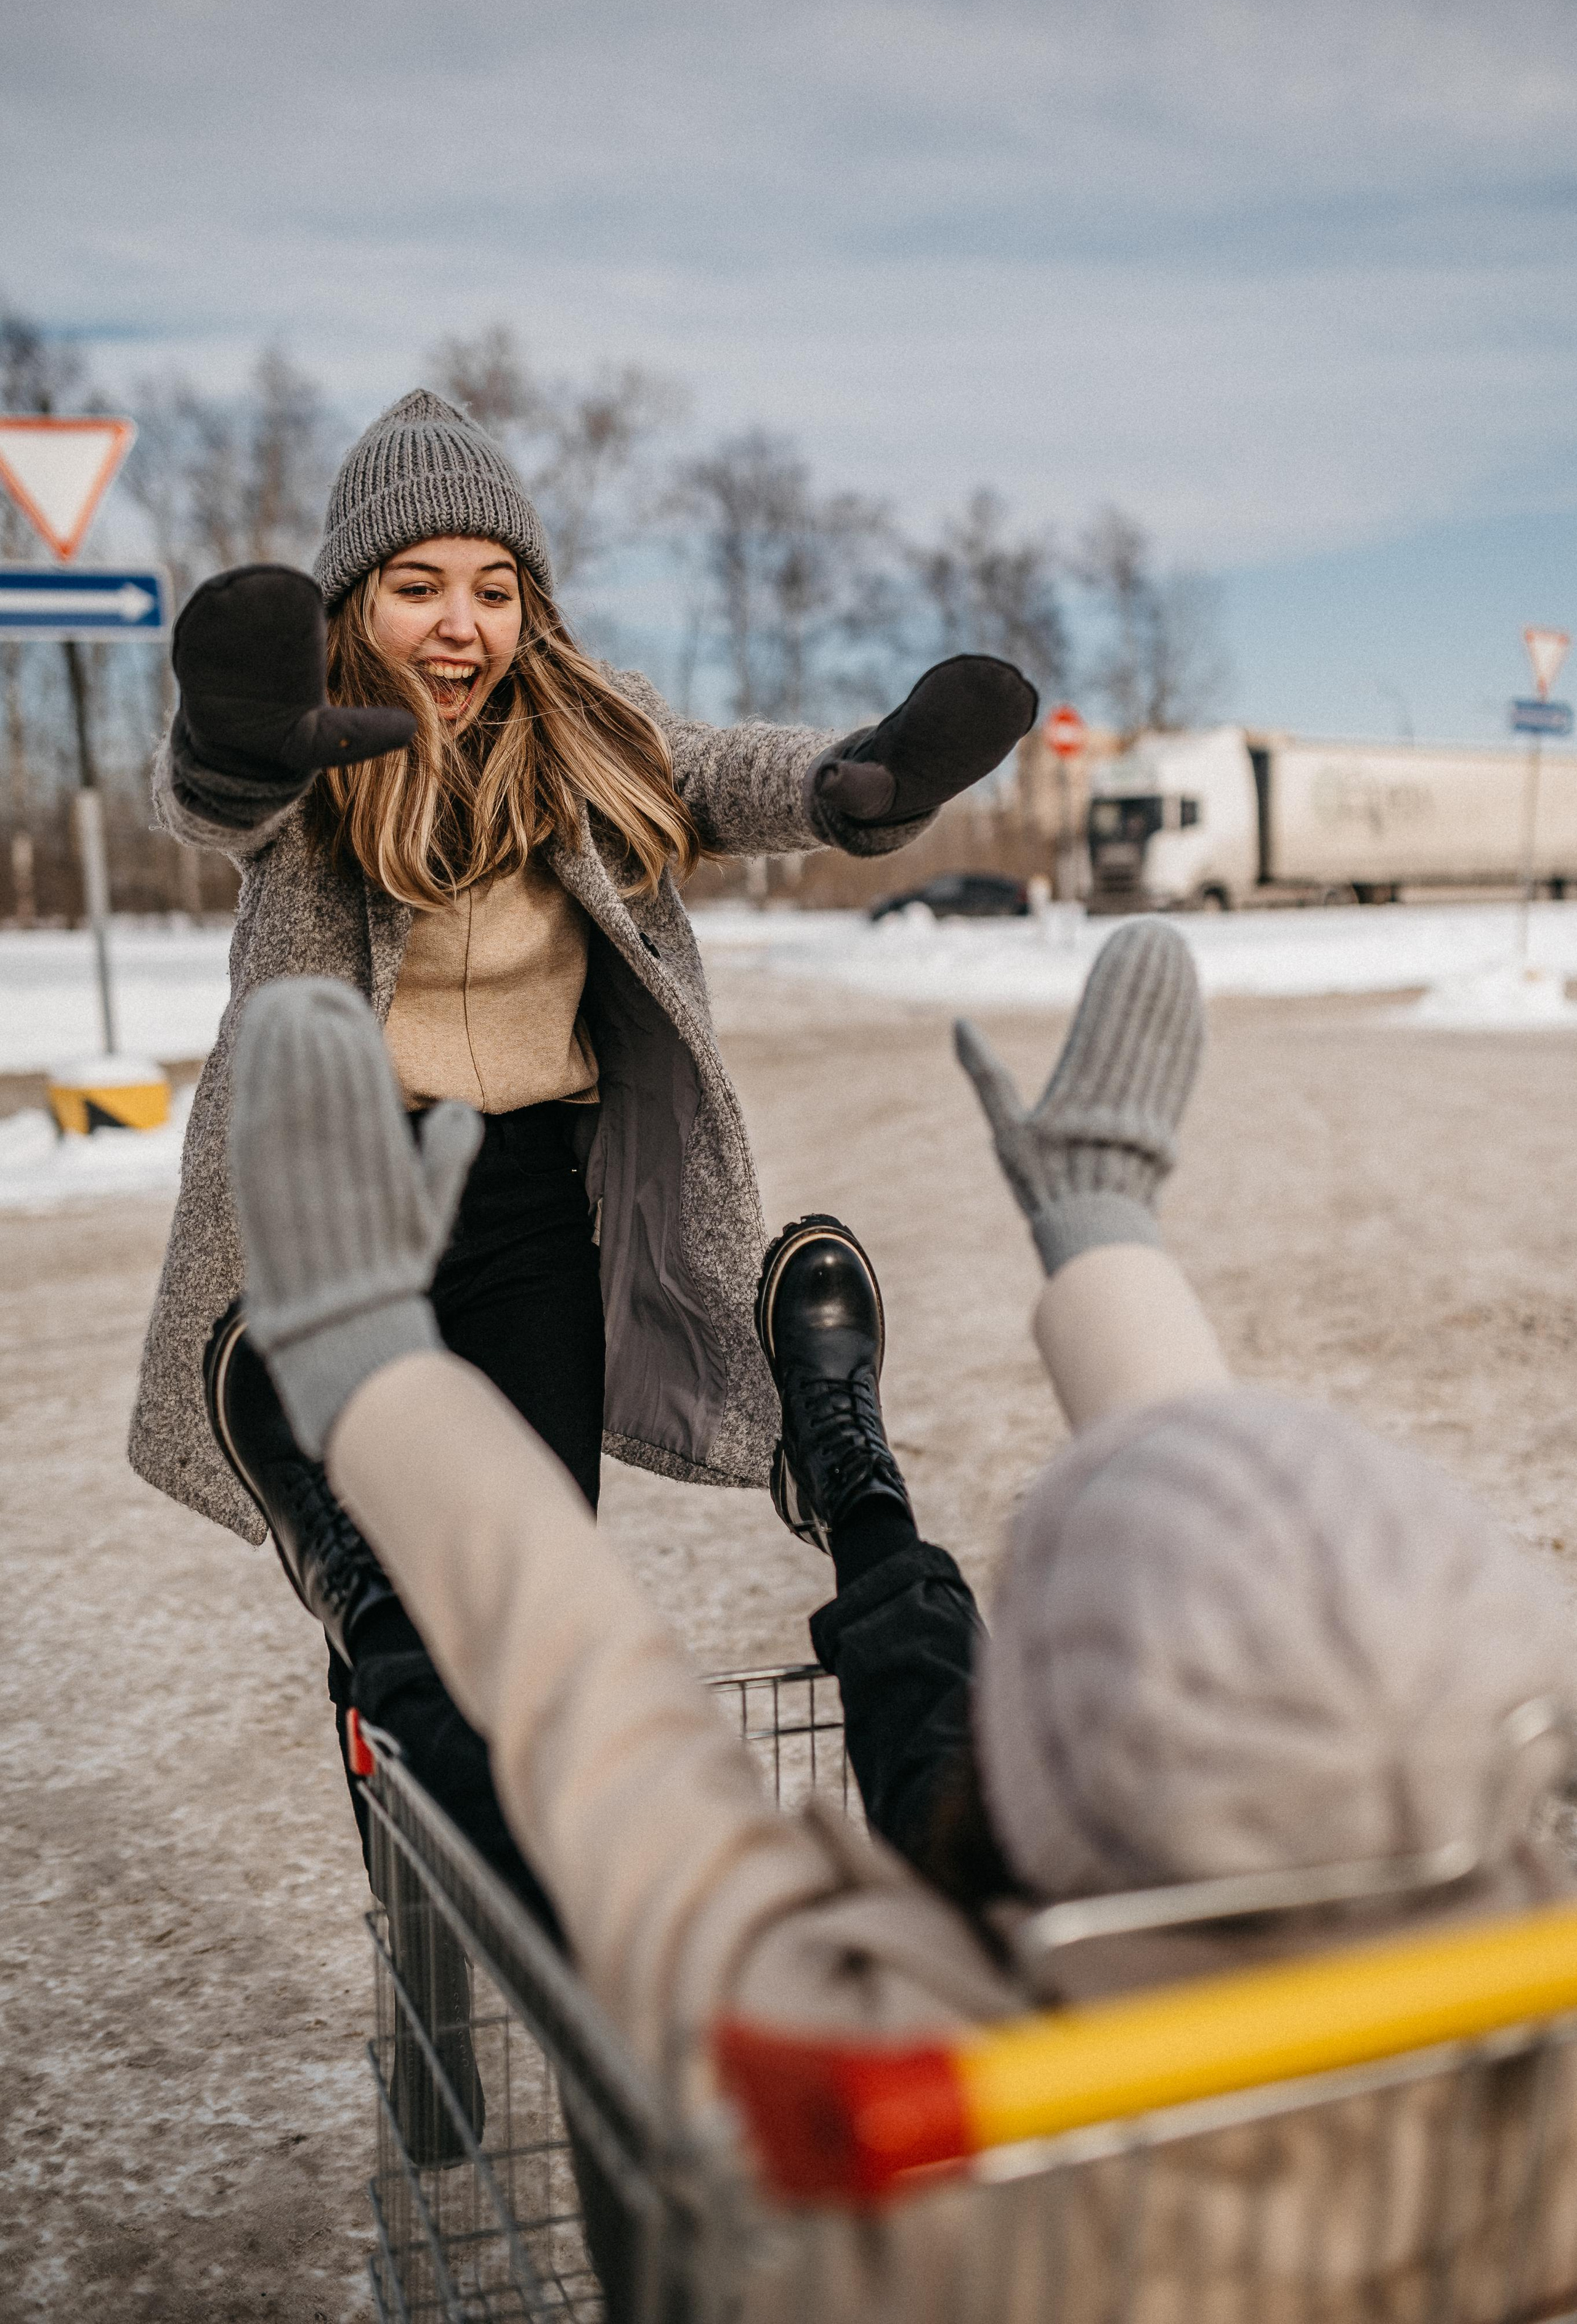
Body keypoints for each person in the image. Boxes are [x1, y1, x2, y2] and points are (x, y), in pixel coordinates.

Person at [221, 922, 1577, 2320]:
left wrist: (373, 1369)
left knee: (566, 1841)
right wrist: (1104, 1235)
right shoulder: (1538, 2058)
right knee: (933, 1730)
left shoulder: (873, 2103)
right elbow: (1326, 1658)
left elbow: (598, 1708)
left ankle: (370, 1589)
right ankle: (851, 1497)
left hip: (791, 2222)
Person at [126, 386, 1037, 1909]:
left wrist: (857, 781)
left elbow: (710, 770)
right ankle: (423, 1937)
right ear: (360, 601)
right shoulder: (310, 757)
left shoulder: (576, 727)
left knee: (530, 1592)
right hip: (347, 1212)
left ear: (531, 608)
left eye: (494, 588)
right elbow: (221, 800)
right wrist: (232, 738)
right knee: (391, 1605)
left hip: (532, 1207)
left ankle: (537, 1944)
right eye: (418, 586)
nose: (459, 625)